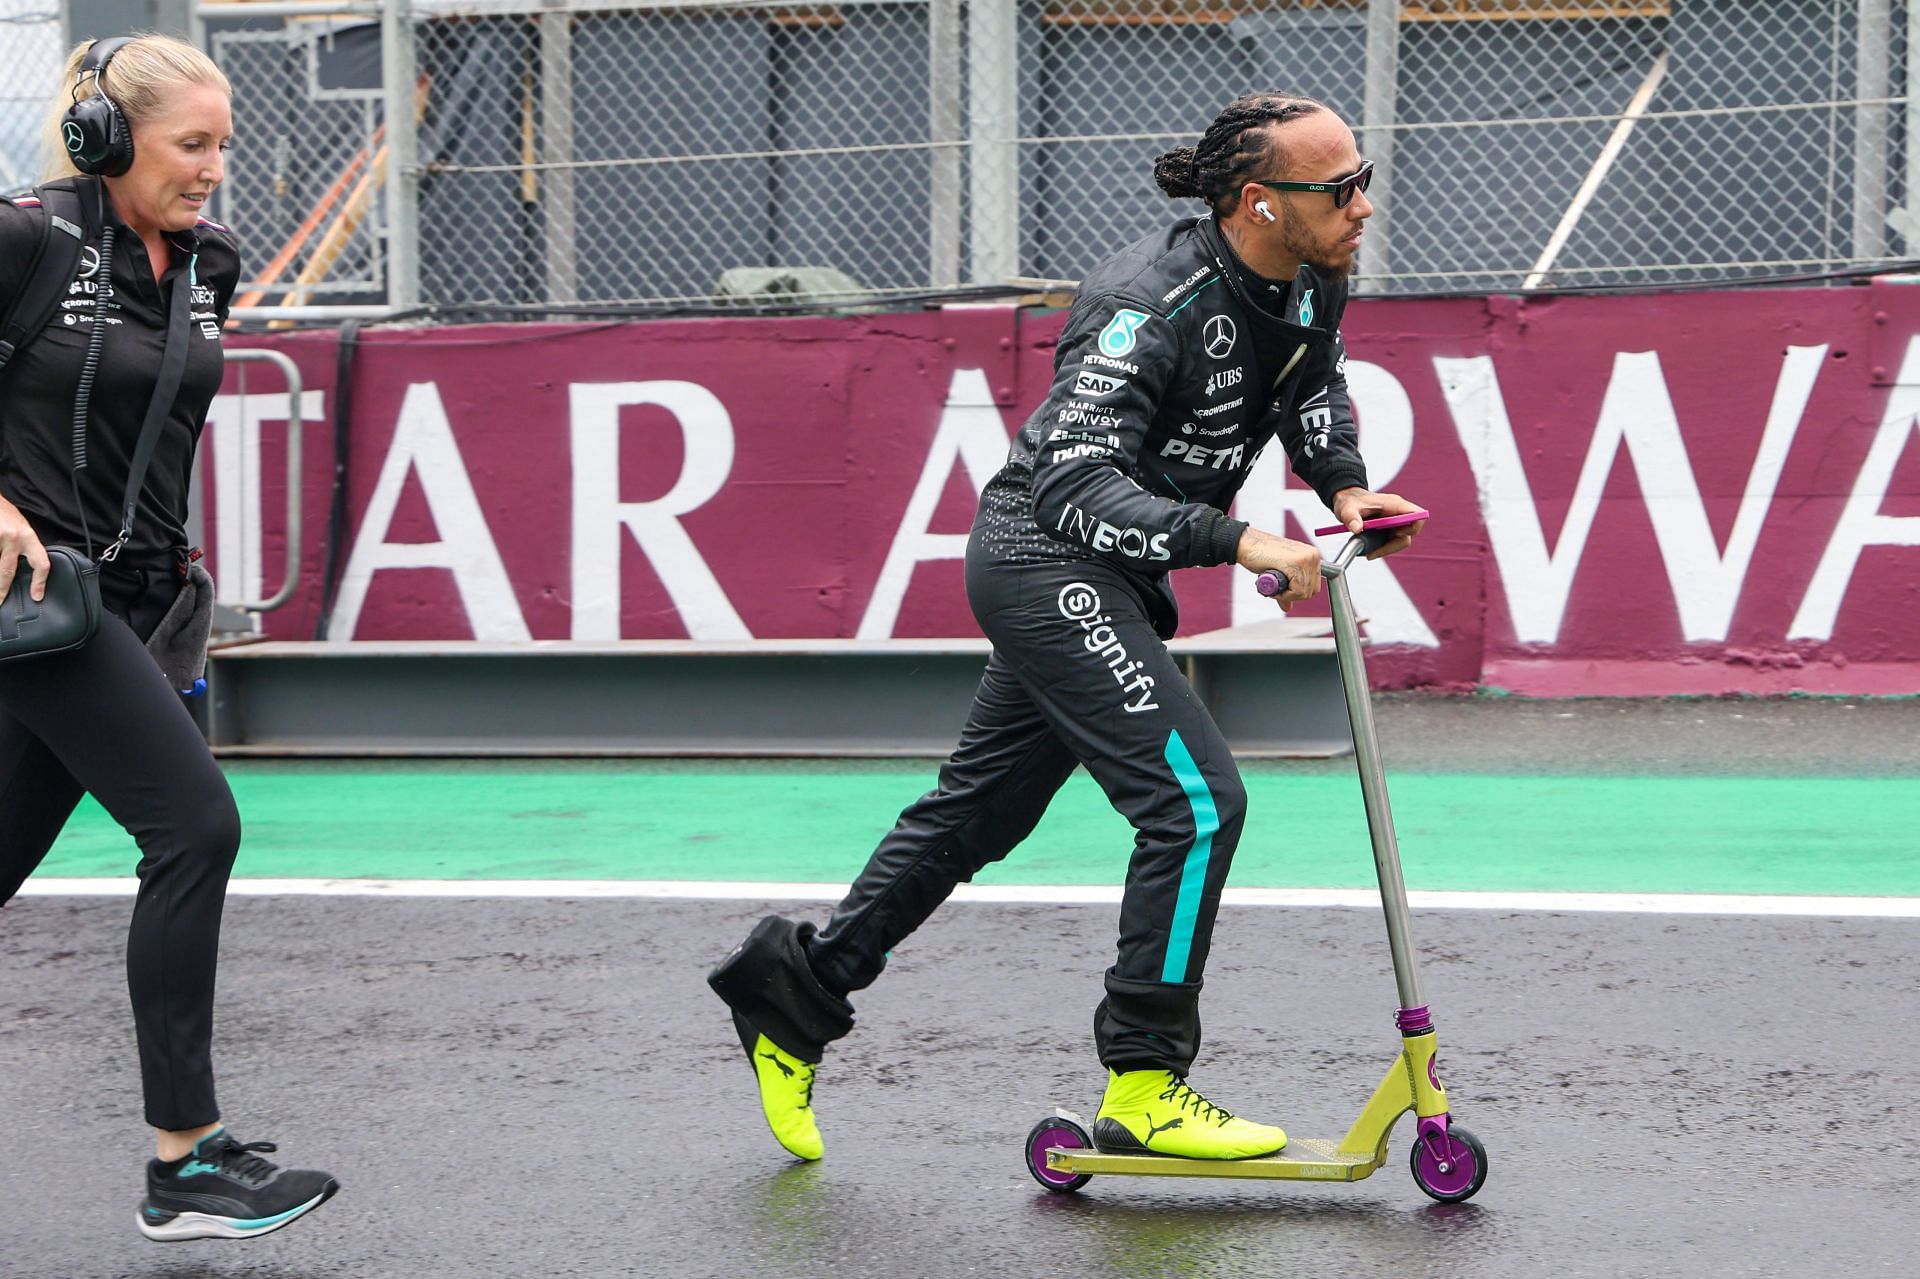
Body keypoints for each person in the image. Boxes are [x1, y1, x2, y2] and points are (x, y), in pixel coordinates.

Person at [709, 91, 1426, 1163]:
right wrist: (1237, 541)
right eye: (1338, 188)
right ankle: (1144, 1083)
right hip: (1047, 562)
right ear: (1258, 204)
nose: (1363, 204)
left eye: (1362, 176)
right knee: (1194, 802)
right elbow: (1069, 487)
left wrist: (1344, 487)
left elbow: (1309, 385)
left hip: (1114, 578)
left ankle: (795, 991)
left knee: (978, 814)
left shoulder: (1316, 274)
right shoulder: (1145, 304)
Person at [0, 35, 338, 1240]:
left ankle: (185, 1163)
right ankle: (183, 1163)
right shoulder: (29, 239)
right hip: (40, 602)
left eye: (221, 147)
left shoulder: (209, 262)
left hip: (143, 605)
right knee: (195, 826)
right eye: (190, 146)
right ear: (107, 139)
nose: (211, 170)